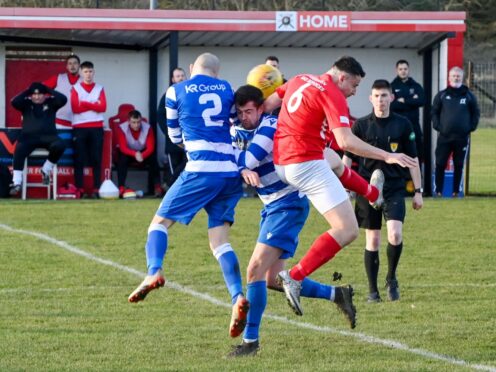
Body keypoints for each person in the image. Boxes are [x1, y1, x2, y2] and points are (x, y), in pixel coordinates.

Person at [228, 85, 385, 357]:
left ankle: (250, 343)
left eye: (249, 111)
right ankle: (337, 294)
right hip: (272, 206)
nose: (244, 117)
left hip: (287, 204)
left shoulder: (270, 125)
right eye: (240, 112)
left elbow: (249, 160)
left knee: (254, 269)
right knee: (272, 280)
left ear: (262, 107)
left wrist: (240, 164)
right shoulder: (240, 127)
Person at [264, 56, 417, 318]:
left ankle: (372, 194)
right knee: (348, 230)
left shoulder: (301, 78)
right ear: (342, 77)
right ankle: (295, 276)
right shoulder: (332, 93)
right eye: (354, 86)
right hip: (304, 163)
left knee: (332, 159)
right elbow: (346, 141)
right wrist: (387, 155)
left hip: (282, 160)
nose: (354, 92)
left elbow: (270, 103)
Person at [128, 53, 258, 340]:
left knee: (159, 224)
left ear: (190, 70)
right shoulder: (226, 88)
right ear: (216, 71)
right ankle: (237, 296)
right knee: (220, 242)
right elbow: (236, 125)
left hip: (200, 169)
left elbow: (174, 136)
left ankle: (154, 271)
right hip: (229, 173)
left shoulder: (175, 90)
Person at [343, 79, 423, 302]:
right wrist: (344, 188)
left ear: (392, 98)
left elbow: (413, 159)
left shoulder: (403, 124)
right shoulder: (360, 126)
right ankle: (372, 291)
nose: (381, 100)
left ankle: (391, 278)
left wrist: (418, 191)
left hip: (394, 188)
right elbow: (347, 159)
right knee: (373, 240)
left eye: (384, 96)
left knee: (395, 234)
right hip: (367, 188)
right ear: (371, 99)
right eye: (377, 96)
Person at [9, 82, 67, 195]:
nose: (36, 96)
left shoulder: (51, 102)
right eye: (34, 94)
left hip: (49, 137)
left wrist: (47, 89)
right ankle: (17, 183)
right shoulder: (25, 103)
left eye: (40, 94)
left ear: (45, 95)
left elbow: (63, 99)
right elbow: (14, 101)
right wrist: (28, 90)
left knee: (60, 145)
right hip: (28, 137)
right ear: (31, 95)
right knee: (19, 149)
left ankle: (46, 169)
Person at [432, 66, 480, 197]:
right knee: (440, 163)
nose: (456, 78)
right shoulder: (441, 95)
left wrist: (470, 127)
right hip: (444, 137)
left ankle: (456, 191)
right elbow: (434, 112)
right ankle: (438, 191)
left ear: (462, 78)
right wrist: (439, 126)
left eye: (458, 76)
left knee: (459, 165)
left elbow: (476, 113)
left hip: (462, 138)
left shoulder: (469, 96)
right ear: (449, 78)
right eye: (453, 76)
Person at [70, 60, 107, 198]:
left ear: (94, 72)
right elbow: (75, 108)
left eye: (90, 71)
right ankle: (79, 189)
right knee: (79, 159)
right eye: (85, 71)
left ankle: (97, 189)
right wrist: (93, 104)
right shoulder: (75, 88)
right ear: (81, 73)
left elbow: (103, 107)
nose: (88, 74)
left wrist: (84, 103)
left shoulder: (99, 88)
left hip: (96, 126)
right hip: (80, 127)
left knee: (96, 159)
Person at [116, 109, 161, 197]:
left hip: (143, 153)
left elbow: (150, 147)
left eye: (138, 122)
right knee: (122, 159)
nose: (136, 125)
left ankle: (157, 187)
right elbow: (123, 148)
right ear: (128, 121)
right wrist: (135, 154)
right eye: (133, 122)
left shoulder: (148, 128)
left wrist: (142, 155)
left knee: (153, 159)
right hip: (129, 153)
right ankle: (121, 187)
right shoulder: (122, 128)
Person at [157, 67, 188, 189]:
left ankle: (173, 188)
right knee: (173, 167)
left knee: (188, 164)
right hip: (173, 142)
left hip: (188, 139)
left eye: (182, 75)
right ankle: (169, 188)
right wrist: (169, 132)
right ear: (173, 79)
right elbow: (160, 115)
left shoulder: (189, 94)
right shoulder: (168, 95)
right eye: (177, 76)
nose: (180, 78)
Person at [390, 59, 425, 163]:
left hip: (414, 126)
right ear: (397, 70)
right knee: (399, 154)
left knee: (416, 154)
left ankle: (417, 179)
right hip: (398, 126)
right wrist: (412, 101)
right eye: (400, 69)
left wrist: (404, 100)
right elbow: (392, 105)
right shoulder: (392, 86)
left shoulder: (416, 86)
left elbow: (422, 101)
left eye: (405, 69)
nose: (403, 71)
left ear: (408, 70)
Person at [43, 54, 81, 129]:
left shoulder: (85, 81)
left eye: (75, 63)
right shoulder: (58, 78)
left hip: (79, 123)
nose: (72, 66)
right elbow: (41, 89)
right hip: (59, 123)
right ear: (66, 66)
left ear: (79, 65)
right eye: (70, 63)